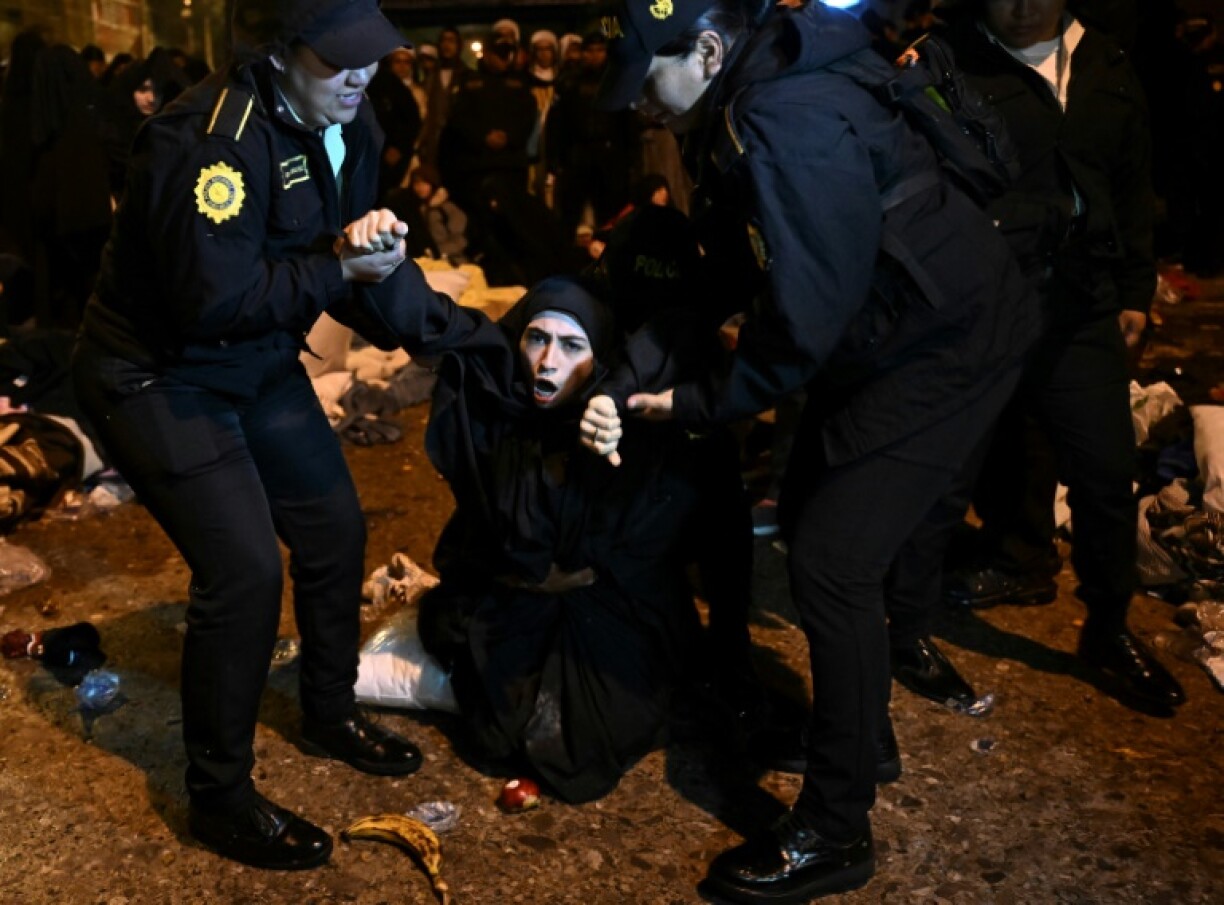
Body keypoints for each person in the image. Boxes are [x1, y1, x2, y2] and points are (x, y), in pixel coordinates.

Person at [582, 1, 1037, 900]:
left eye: (649, 74)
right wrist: (635, 360)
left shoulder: (782, 117)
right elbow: (740, 268)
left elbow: (803, 319)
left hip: (946, 339)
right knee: (806, 519)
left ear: (707, 49)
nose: (638, 99)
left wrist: (698, 401)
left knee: (833, 560)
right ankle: (858, 733)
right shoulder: (743, 98)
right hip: (890, 330)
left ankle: (836, 828)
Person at [70, 0, 429, 872]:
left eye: (372, 57)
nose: (361, 76)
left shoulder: (353, 113)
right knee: (242, 570)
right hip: (158, 372)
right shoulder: (207, 142)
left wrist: (441, 326)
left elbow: (337, 250)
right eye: (339, 60)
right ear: (279, 52)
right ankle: (221, 798)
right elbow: (214, 301)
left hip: (254, 358)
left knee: (335, 529)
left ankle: (329, 709)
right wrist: (338, 265)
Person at [931, 0, 1185, 712]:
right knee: (955, 464)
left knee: (1105, 470)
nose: (1020, 7)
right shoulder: (949, 60)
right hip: (982, 302)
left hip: (1079, 307)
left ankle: (1107, 627)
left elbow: (1132, 185)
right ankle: (914, 616)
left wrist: (1136, 287)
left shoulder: (1107, 67)